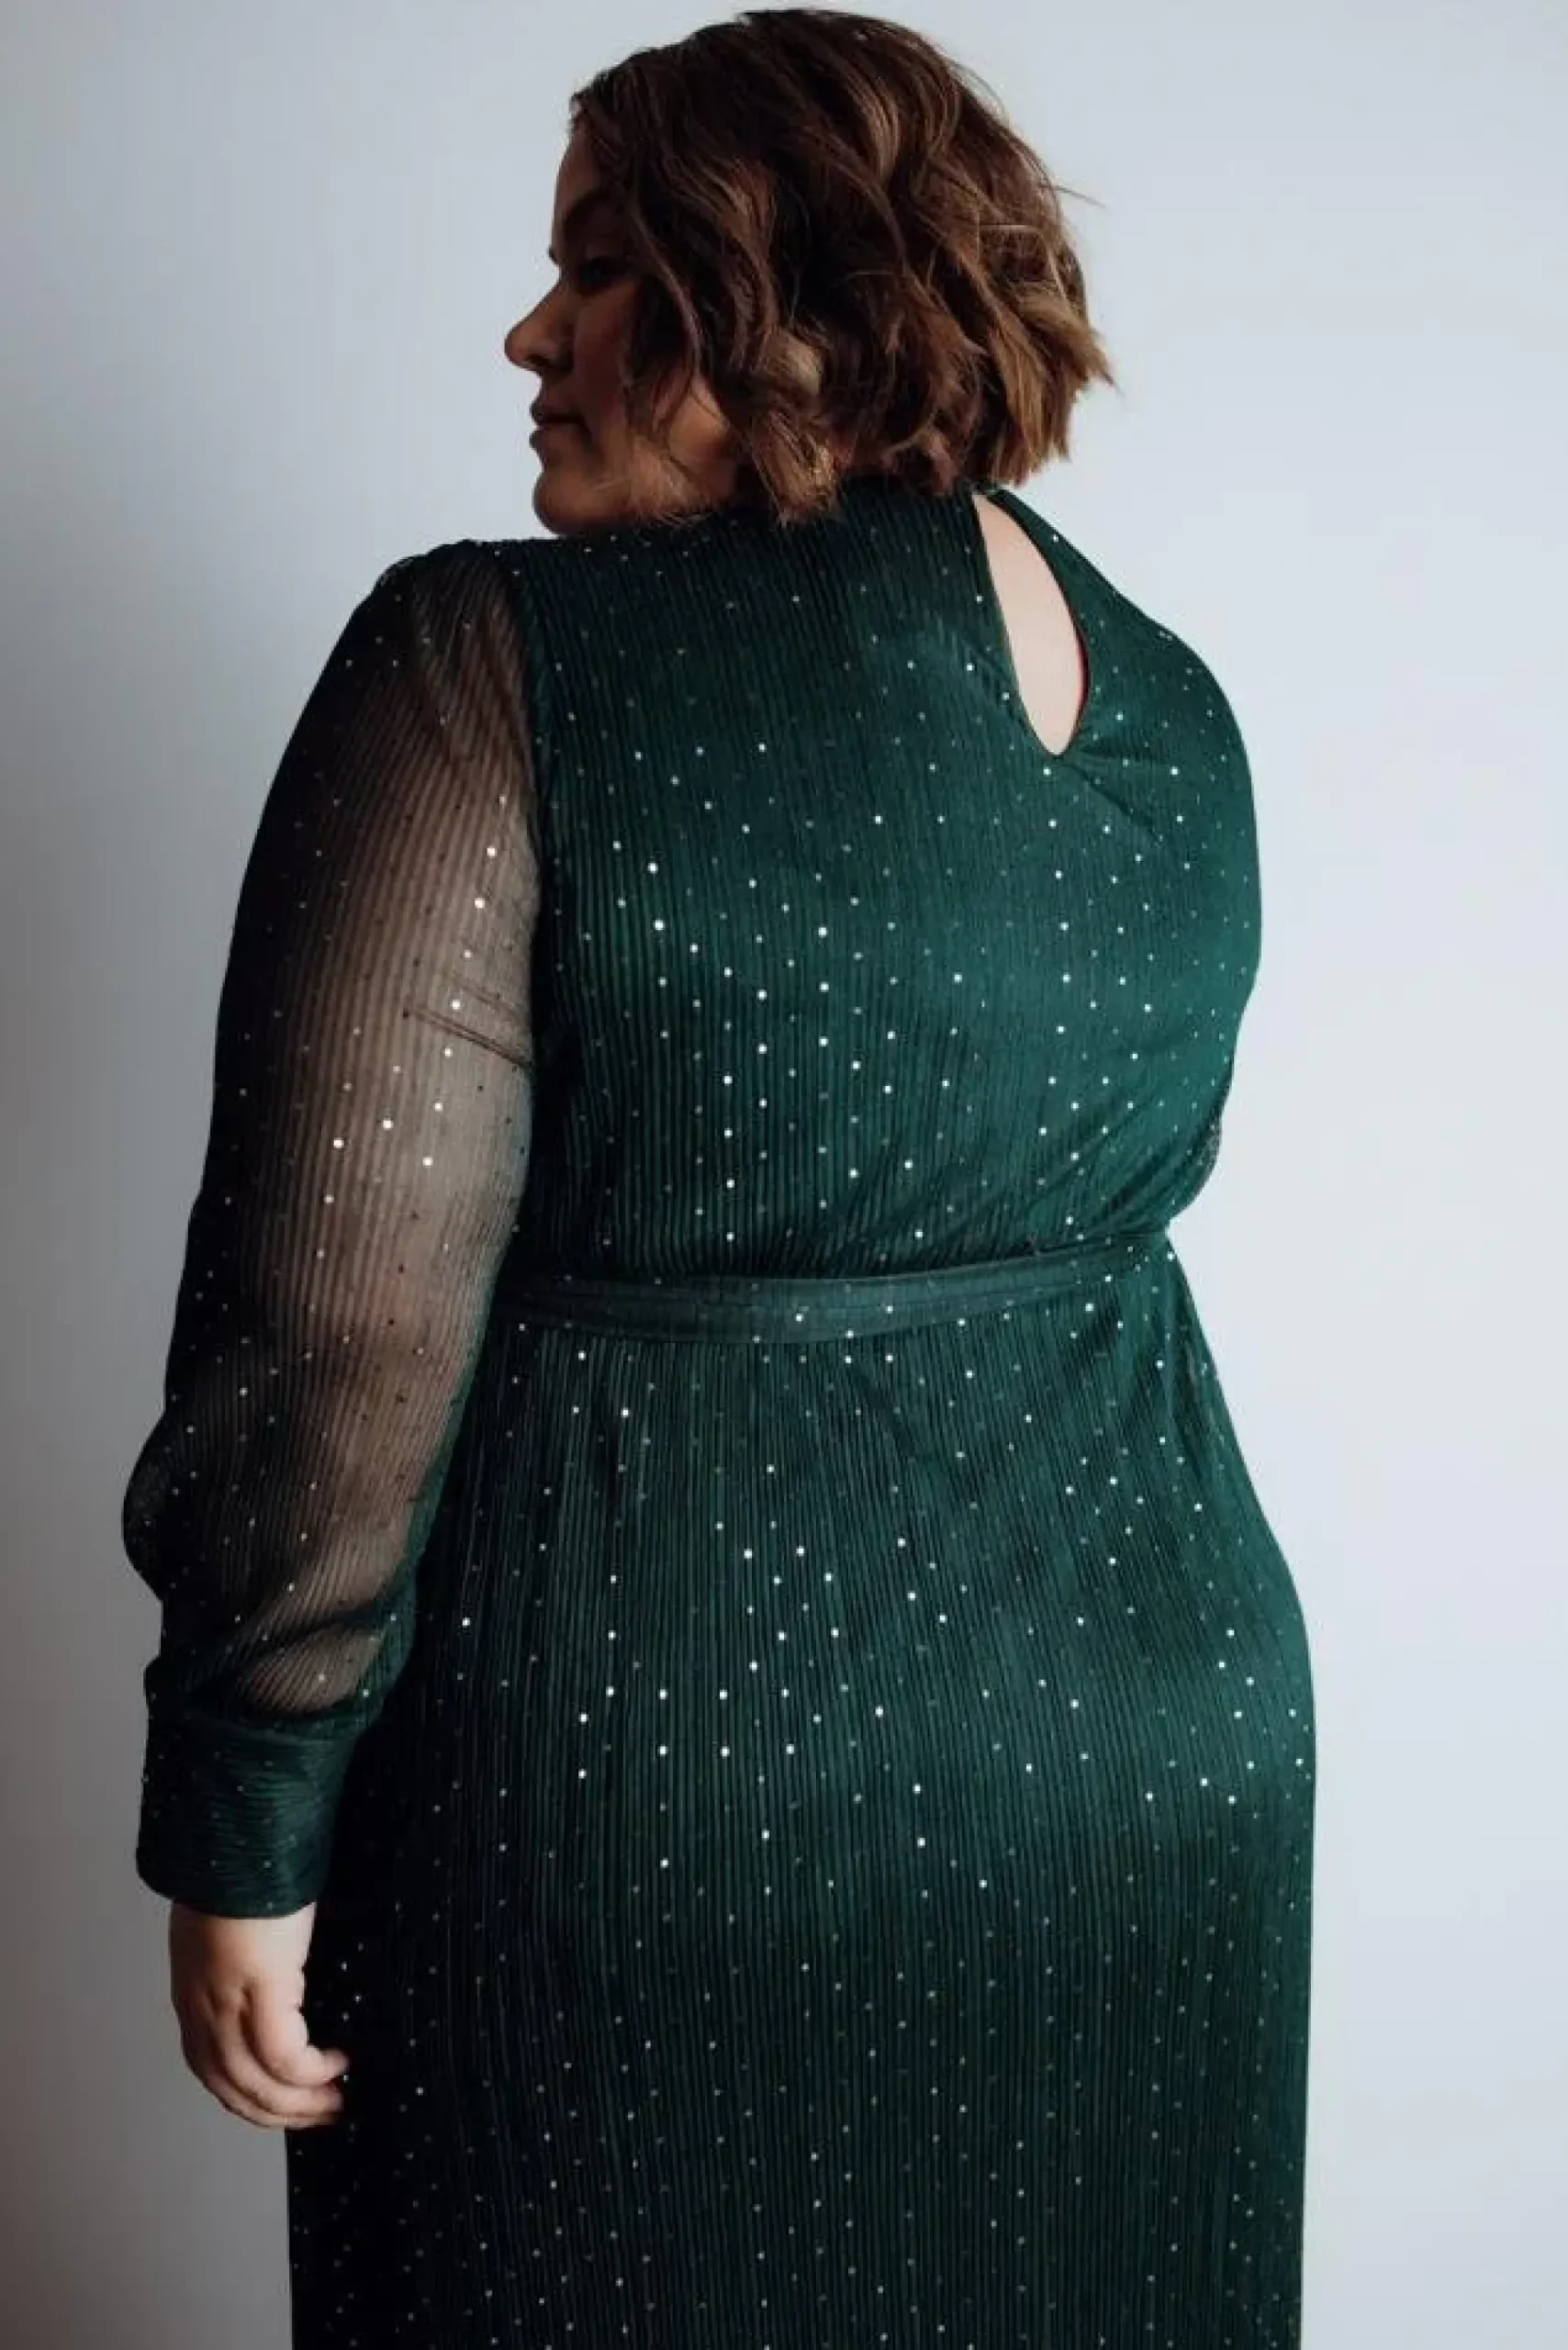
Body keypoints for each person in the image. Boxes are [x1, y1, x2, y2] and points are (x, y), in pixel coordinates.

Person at [121, 9, 1316, 2344]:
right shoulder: (1173, 698)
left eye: (597, 267)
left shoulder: (489, 658)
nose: (529, 335)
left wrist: (244, 1801)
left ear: (777, 293)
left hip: (656, 1778)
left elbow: (338, 1306)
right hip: (1160, 1760)